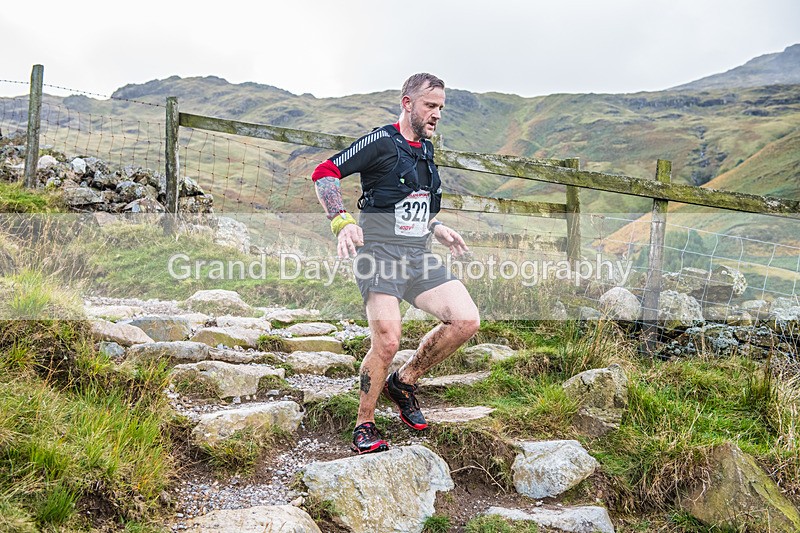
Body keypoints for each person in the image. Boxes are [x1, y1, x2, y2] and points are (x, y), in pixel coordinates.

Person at [311, 73, 480, 454]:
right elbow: (324, 173)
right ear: (407, 103)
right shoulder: (381, 142)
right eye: (429, 106)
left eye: (440, 108)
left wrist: (435, 226)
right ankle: (364, 424)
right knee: (387, 340)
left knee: (466, 320)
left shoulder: (425, 151)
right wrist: (342, 221)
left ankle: (403, 382)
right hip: (380, 256)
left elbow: (406, 201)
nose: (436, 114)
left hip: (418, 256)